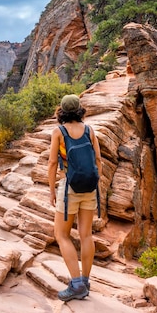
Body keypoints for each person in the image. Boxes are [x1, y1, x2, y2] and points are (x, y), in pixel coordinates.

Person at [48, 94, 103, 301]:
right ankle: (86, 280)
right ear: (79, 109)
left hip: (69, 187)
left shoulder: (59, 132)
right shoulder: (89, 130)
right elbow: (98, 159)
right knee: (86, 235)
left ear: (61, 110)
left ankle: (77, 284)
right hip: (89, 187)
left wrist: (52, 190)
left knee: (61, 235)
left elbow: (53, 162)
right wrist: (96, 183)